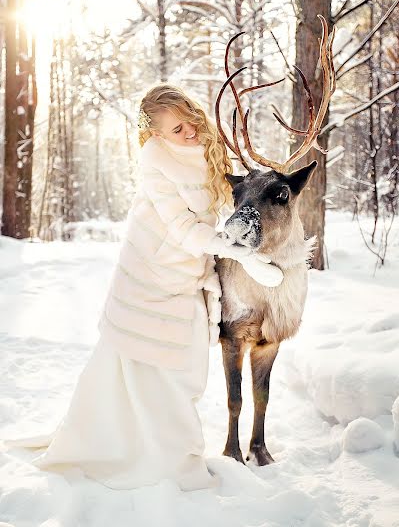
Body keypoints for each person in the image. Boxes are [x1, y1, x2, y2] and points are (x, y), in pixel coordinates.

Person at [2, 83, 283, 491]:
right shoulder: (156, 164)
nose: (189, 133)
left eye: (191, 122)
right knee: (148, 367)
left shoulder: (206, 147)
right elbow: (185, 228)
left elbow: (229, 197)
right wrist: (242, 255)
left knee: (185, 368)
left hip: (187, 276)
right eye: (176, 130)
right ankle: (155, 458)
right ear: (155, 135)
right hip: (152, 275)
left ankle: (164, 449)